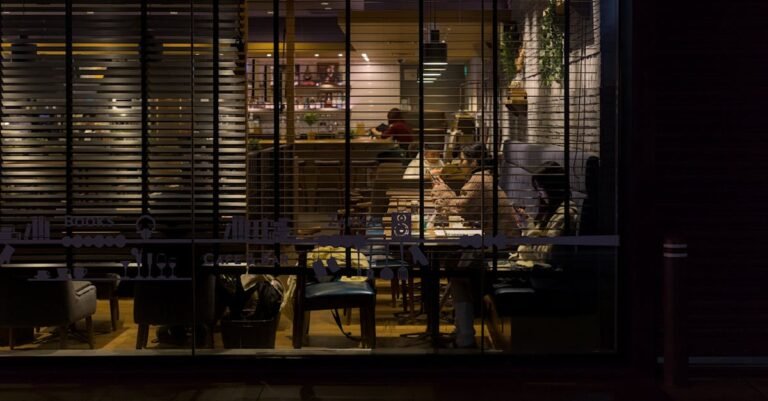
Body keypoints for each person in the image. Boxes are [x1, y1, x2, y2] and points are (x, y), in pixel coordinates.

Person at [431, 143, 522, 348]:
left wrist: (441, 188)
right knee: (455, 268)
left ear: (474, 162)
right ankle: (462, 331)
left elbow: (460, 209)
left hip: (500, 248)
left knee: (457, 273)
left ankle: (464, 336)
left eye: (463, 160)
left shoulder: (479, 181)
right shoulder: (484, 178)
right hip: (501, 243)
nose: (460, 163)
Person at [513, 161, 580, 268]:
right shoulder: (548, 209)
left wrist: (528, 227)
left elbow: (547, 254)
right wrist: (525, 224)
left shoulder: (565, 214)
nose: (539, 193)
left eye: (541, 188)